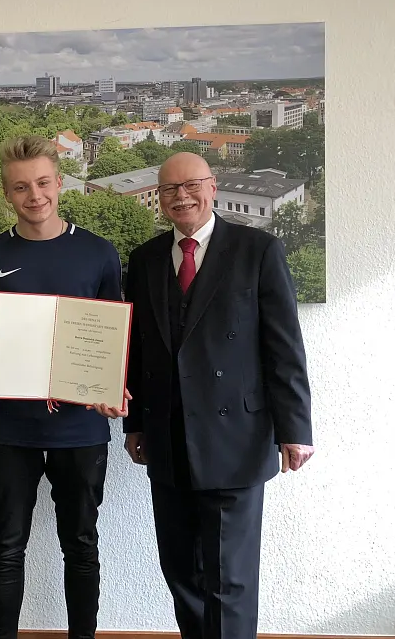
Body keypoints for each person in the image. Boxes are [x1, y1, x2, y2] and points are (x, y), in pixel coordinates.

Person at [122, 152, 314, 639]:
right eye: (169, 189)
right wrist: (135, 424)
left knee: (229, 580)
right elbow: (138, 348)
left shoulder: (258, 250)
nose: (180, 196)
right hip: (167, 441)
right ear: (159, 198)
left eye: (191, 185)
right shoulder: (144, 260)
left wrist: (296, 431)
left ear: (213, 187)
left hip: (237, 439)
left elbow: (284, 348)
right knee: (181, 574)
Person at [0, 135, 128, 639]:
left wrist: (111, 385)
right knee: (7, 542)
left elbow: (112, 339)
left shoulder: (98, 253)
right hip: (10, 427)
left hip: (80, 429)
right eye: (21, 188)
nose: (34, 196)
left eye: (42, 183)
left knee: (80, 542)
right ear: (7, 194)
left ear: (59, 183)